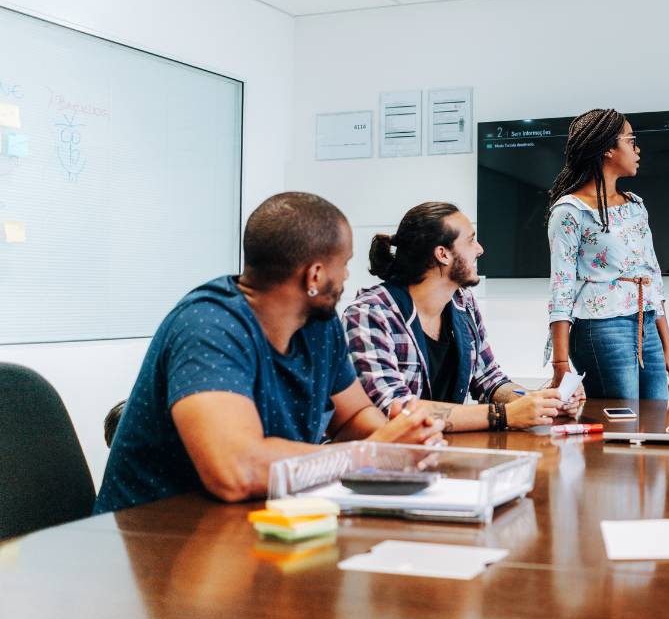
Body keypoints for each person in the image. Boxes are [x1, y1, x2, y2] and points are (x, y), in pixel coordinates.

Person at [94, 193, 444, 514]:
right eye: (345, 264)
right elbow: (236, 471)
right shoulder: (208, 326)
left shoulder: (319, 325)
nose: (347, 275)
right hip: (154, 540)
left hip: (249, 529)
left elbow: (354, 417)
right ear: (316, 275)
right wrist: (372, 453)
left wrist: (399, 436)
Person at [344, 201, 579, 432]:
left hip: (444, 452)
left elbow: (490, 380)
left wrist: (539, 402)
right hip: (392, 462)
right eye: (470, 240)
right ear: (442, 254)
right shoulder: (370, 314)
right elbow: (395, 409)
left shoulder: (463, 302)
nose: (480, 249)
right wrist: (503, 415)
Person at [546, 108, 669, 400]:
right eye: (631, 141)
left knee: (657, 422)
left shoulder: (635, 205)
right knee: (619, 425)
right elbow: (561, 287)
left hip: (646, 323)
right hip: (601, 326)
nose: (637, 149)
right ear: (607, 149)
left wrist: (668, 346)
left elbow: (653, 277)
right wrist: (560, 362)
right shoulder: (569, 211)